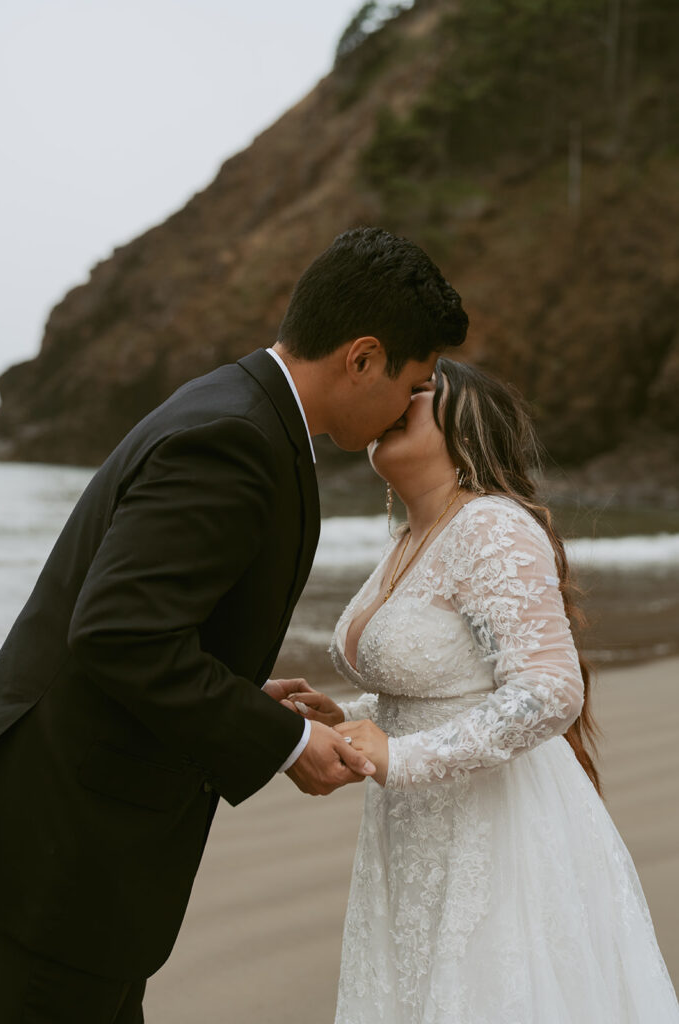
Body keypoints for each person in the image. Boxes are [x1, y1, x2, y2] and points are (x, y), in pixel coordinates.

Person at [0, 227, 469, 1022]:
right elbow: (119, 633)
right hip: (59, 853)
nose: (412, 405)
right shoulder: (233, 439)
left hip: (75, 845)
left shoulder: (243, 413)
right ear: (360, 357)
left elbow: (151, 624)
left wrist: (243, 690)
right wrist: (278, 741)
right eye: (413, 381)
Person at [276, 359, 679, 1023]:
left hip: (491, 831)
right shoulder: (408, 538)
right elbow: (454, 687)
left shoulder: (490, 526)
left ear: (467, 430)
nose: (398, 400)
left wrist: (398, 758)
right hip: (413, 831)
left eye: (418, 394)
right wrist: (348, 716)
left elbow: (550, 690)